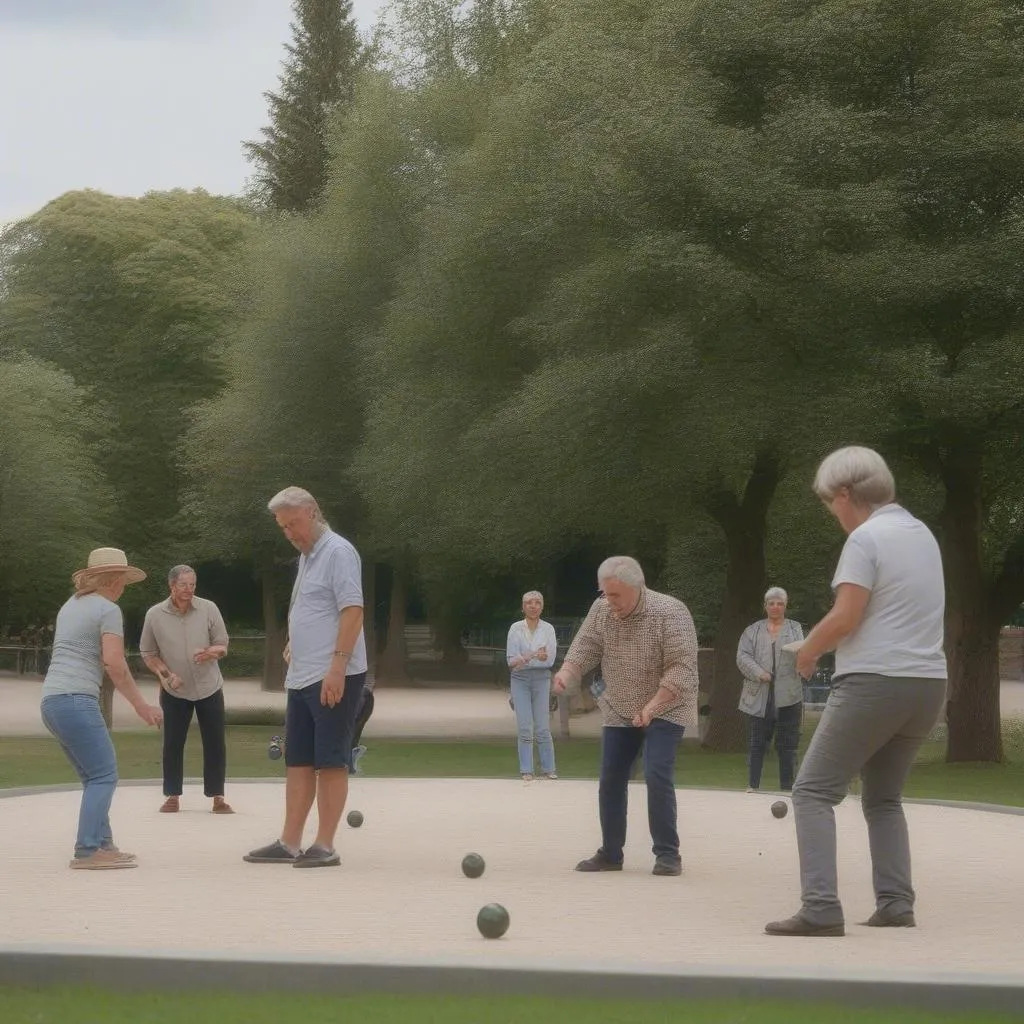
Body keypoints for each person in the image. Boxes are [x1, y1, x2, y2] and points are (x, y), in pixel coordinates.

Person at [765, 447, 947, 937]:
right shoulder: (921, 534)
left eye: (831, 504)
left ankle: (821, 907)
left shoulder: (866, 539)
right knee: (884, 798)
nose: (834, 515)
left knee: (812, 792)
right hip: (928, 684)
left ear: (845, 495)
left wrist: (808, 652)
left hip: (874, 682)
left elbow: (847, 616)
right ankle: (895, 902)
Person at [244, 486, 367, 868]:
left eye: (293, 524)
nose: (290, 533)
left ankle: (324, 844)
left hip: (332, 676)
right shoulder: (308, 558)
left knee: (330, 760)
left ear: (313, 513)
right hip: (301, 677)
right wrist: (294, 642)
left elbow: (352, 611)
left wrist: (336, 668)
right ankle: (289, 841)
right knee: (297, 760)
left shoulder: (338, 552)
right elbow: (313, 608)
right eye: (283, 528)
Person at [553, 556, 699, 876]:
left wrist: (651, 708)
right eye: (605, 593)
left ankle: (667, 854)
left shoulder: (670, 613)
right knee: (611, 778)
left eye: (616, 595)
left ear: (638, 588)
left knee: (656, 772)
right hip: (620, 705)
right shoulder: (602, 609)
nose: (609, 601)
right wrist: (566, 672)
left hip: (667, 705)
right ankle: (610, 853)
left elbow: (681, 670)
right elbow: (584, 647)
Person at [40, 547, 163, 870]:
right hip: (76, 699)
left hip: (52, 701)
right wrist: (141, 706)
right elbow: (114, 663)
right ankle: (88, 849)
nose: (124, 586)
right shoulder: (107, 609)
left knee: (94, 776)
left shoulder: (71, 606)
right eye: (123, 580)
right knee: (104, 775)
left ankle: (104, 844)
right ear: (115, 579)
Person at [140, 565, 232, 814]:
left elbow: (223, 644)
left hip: (209, 686)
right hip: (175, 691)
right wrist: (166, 675)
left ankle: (217, 797)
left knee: (215, 742)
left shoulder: (209, 608)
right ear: (172, 586)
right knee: (172, 743)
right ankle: (172, 795)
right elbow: (148, 654)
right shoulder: (154, 615)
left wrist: (212, 652)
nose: (189, 590)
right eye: (183, 585)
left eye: (192, 585)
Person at [736, 587, 804, 792]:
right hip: (759, 694)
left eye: (780, 603)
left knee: (787, 745)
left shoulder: (795, 628)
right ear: (765, 606)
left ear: (785, 606)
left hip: (789, 695)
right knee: (757, 742)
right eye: (771, 603)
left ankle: (787, 788)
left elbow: (803, 651)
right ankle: (753, 786)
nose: (775, 607)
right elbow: (742, 656)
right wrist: (759, 673)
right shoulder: (752, 630)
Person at [506, 590, 558, 781]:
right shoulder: (515, 629)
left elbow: (549, 659)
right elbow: (511, 661)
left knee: (543, 726)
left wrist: (528, 658)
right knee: (525, 726)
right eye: (529, 602)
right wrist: (532, 655)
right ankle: (526, 769)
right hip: (520, 679)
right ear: (523, 606)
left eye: (537, 602)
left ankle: (549, 768)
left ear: (542, 606)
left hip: (542, 679)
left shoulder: (548, 629)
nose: (533, 606)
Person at [350, 675, 375, 775]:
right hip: (358, 691)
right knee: (353, 726)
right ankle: (349, 761)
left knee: (356, 726)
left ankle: (350, 759)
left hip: (363, 692)